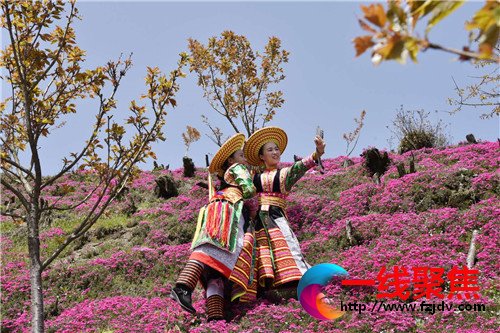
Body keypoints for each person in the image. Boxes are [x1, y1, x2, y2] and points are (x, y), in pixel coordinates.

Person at [229, 126, 325, 302]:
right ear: (261, 156)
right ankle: (268, 289)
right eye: (270, 150)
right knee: (260, 254)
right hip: (258, 221)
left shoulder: (284, 174)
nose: (275, 152)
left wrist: (317, 154)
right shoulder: (253, 177)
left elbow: (301, 166)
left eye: (276, 149)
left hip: (276, 217)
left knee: (289, 247)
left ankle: (307, 286)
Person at [170, 133, 256, 322]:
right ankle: (183, 288)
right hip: (228, 211)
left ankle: (214, 317)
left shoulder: (225, 181)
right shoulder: (238, 168)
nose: (244, 159)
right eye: (241, 155)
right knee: (217, 250)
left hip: (217, 208)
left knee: (214, 269)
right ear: (231, 160)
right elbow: (249, 190)